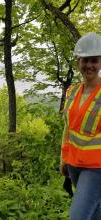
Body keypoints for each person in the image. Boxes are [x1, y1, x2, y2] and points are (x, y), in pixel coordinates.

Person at [60, 32, 101, 220]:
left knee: (78, 215)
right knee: (94, 211)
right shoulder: (72, 90)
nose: (89, 65)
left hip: (96, 167)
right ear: (78, 62)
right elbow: (68, 129)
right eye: (85, 60)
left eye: (94, 60)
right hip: (74, 163)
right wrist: (64, 159)